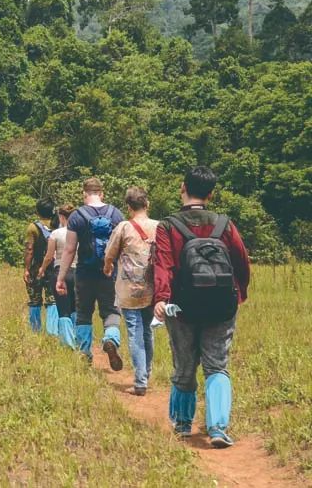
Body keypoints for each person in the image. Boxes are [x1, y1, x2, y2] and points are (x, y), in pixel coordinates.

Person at [154, 166, 251, 449]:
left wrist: (161, 298)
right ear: (211, 194)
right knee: (217, 365)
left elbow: (163, 264)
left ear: (182, 188)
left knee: (184, 364)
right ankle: (218, 427)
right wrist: (238, 294)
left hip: (181, 307)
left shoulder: (168, 226)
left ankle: (183, 423)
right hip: (221, 306)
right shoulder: (224, 224)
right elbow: (242, 262)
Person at [57, 177, 124, 368]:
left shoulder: (77, 216)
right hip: (110, 273)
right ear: (102, 193)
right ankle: (111, 338)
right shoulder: (116, 214)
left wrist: (61, 277)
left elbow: (69, 250)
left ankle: (85, 353)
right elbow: (122, 248)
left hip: (84, 274)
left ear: (84, 194)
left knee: (84, 313)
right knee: (111, 311)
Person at [103, 186, 158, 395]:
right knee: (148, 331)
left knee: (135, 333)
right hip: (152, 289)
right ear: (147, 204)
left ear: (128, 207)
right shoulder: (159, 226)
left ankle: (140, 381)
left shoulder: (124, 227)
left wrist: (107, 267)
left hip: (129, 291)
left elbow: (110, 254)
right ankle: (146, 374)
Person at [38, 204, 77, 348]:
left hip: (60, 271)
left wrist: (42, 269)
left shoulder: (55, 234)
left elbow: (49, 256)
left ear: (61, 217)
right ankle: (78, 337)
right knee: (75, 307)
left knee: (63, 308)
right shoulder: (80, 232)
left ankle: (68, 343)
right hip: (78, 272)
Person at [23, 197, 58, 335]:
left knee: (34, 300)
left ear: (38, 211)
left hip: (35, 268)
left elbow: (29, 250)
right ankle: (52, 331)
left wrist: (26, 269)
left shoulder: (33, 227)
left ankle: (35, 330)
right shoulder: (58, 224)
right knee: (52, 300)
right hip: (54, 268)